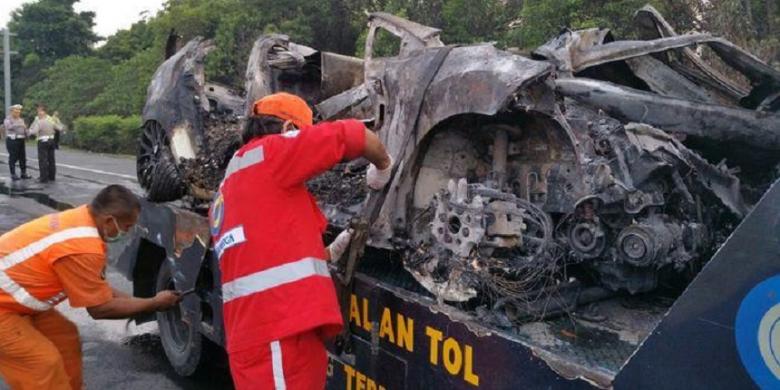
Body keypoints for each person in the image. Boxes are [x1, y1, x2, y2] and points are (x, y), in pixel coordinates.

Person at [210, 92, 392, 389]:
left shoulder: (234, 182)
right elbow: (353, 134)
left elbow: (269, 257)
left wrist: (331, 252)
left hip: (271, 331)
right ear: (287, 131)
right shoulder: (270, 154)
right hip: (277, 333)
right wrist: (383, 166)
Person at [0, 184, 181, 389]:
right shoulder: (83, 246)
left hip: (15, 303)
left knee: (65, 338)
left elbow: (99, 289)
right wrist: (154, 303)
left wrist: (144, 302)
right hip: (4, 309)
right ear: (109, 221)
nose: (128, 232)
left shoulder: (83, 218)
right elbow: (100, 308)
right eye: (128, 226)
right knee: (43, 364)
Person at [29, 104, 63, 183]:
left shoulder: (41, 120)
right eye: (38, 111)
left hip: (43, 141)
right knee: (51, 159)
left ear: (44, 111)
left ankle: (43, 178)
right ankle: (51, 176)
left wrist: (28, 132)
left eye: (40, 111)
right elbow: (59, 128)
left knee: (43, 160)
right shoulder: (49, 119)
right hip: (51, 140)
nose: (38, 112)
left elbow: (34, 131)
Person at [3, 104, 30, 180]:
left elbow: (24, 129)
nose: (18, 113)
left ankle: (23, 173)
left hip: (21, 140)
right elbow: (8, 127)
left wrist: (27, 135)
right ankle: (13, 174)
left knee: (22, 157)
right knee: (13, 157)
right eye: (16, 111)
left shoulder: (21, 120)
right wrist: (18, 124)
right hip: (12, 140)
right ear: (11, 111)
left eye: (19, 111)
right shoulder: (7, 119)